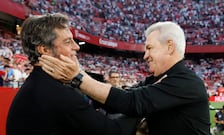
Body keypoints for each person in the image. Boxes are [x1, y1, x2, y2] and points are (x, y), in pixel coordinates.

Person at [39, 21, 211, 135]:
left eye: (150, 48)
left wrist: (78, 77)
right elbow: (119, 100)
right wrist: (79, 76)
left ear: (170, 47)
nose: (145, 55)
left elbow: (131, 102)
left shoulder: (187, 83)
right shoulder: (156, 79)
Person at [6, 13, 139, 135]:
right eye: (68, 42)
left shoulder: (41, 82)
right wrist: (144, 107)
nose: (77, 47)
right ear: (44, 49)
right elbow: (113, 131)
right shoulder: (55, 92)